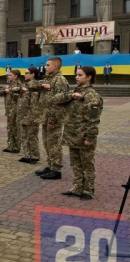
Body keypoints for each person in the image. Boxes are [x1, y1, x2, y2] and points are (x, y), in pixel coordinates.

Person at [61, 66, 103, 200]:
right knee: (75, 163)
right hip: (72, 135)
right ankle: (77, 187)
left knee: (87, 164)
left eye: (80, 75)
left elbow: (94, 119)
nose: (76, 77)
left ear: (89, 77)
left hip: (83, 136)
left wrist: (90, 137)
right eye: (76, 75)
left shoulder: (92, 96)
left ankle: (88, 190)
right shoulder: (75, 93)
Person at [36, 57, 70, 180]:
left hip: (53, 119)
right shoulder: (49, 79)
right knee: (47, 143)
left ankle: (56, 169)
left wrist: (53, 120)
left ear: (55, 66)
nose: (46, 67)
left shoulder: (59, 80)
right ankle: (50, 165)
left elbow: (59, 102)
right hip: (46, 117)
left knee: (54, 144)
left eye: (48, 65)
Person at [17, 67, 41, 164]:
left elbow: (35, 104)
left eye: (27, 73)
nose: (24, 74)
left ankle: (34, 156)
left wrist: (35, 117)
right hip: (24, 115)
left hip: (31, 116)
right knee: (24, 136)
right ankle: (26, 155)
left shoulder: (34, 86)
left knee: (32, 137)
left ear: (33, 74)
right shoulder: (25, 85)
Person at [0, 70, 22, 154]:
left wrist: (10, 90)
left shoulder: (19, 85)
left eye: (10, 75)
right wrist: (5, 90)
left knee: (16, 129)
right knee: (10, 128)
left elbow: (17, 98)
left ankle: (17, 147)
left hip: (15, 110)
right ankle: (10, 146)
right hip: (9, 110)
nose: (8, 76)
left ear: (15, 76)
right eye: (8, 75)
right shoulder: (9, 85)